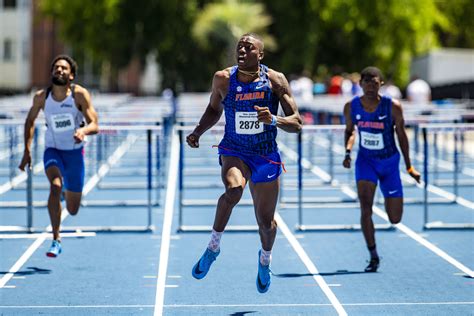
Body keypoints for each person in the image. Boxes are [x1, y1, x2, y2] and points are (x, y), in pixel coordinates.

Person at [186, 33, 302, 293]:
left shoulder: (275, 80)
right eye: (239, 46)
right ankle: (213, 247)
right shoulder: (223, 79)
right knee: (234, 190)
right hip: (235, 149)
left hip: (265, 154)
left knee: (266, 222)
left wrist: (272, 119)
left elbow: (297, 122)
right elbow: (214, 110)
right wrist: (197, 132)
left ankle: (264, 260)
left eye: (248, 48)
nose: (242, 50)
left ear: (260, 55)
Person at [19, 55, 99, 257]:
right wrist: (27, 151)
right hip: (52, 150)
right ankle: (56, 239)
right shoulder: (41, 97)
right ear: (51, 73)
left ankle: (65, 192)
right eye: (56, 68)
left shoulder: (79, 95)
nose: (59, 70)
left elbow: (95, 124)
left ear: (71, 75)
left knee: (72, 209)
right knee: (55, 185)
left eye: (64, 68)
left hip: (74, 154)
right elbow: (29, 122)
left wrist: (83, 131)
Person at [342, 66, 420, 272]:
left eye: (374, 83)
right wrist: (348, 152)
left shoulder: (392, 107)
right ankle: (373, 255)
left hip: (389, 163)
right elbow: (350, 132)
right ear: (360, 84)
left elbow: (402, 136)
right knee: (365, 207)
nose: (369, 87)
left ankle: (389, 199)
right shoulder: (351, 107)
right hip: (366, 162)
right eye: (366, 83)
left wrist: (409, 166)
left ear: (381, 84)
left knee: (395, 218)